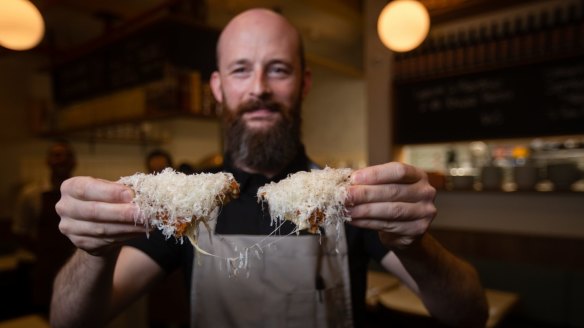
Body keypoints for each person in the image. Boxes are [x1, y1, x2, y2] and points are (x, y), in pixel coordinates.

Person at [50, 9, 489, 328]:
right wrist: (95, 250)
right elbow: (69, 321)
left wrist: (417, 245)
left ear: (305, 82)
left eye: (278, 69)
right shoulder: (182, 207)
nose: (259, 88)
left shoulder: (348, 197)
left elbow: (469, 314)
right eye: (241, 70)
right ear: (218, 89)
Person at [12, 139, 77, 315]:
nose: (62, 159)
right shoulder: (30, 194)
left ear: (74, 162)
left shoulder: (80, 195)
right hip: (41, 268)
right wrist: (45, 253)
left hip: (73, 266)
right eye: (57, 155)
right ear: (48, 161)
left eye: (68, 156)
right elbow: (19, 231)